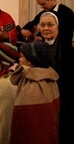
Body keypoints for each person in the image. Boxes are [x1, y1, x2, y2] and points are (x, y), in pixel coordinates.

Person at [9, 41, 59, 144]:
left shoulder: (33, 84)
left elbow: (25, 126)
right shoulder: (50, 78)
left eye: (22, 57)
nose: (19, 59)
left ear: (30, 61)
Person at [38, 11, 74, 144]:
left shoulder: (68, 50)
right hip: (41, 98)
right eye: (42, 25)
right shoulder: (35, 49)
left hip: (63, 99)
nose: (46, 28)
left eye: (50, 25)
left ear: (58, 27)